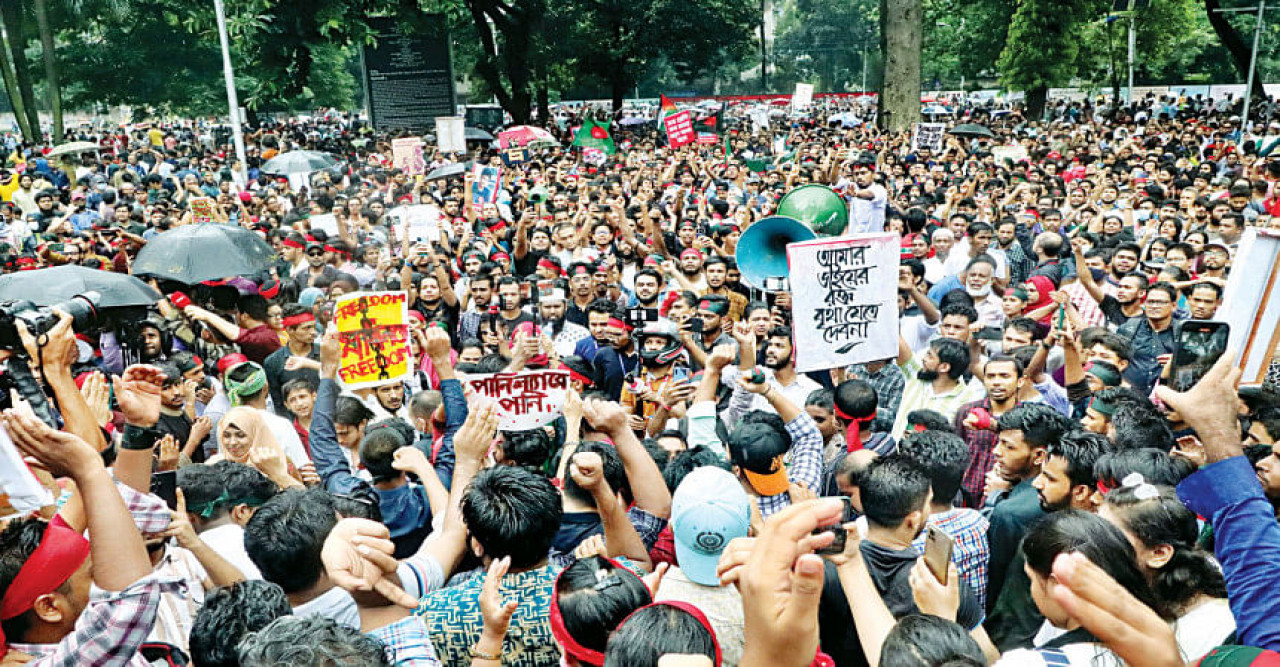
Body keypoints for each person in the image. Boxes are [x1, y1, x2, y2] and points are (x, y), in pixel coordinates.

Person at [986, 403, 1073, 651]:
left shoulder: (1010, 514)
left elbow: (995, 580)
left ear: (1039, 456)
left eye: (1008, 446)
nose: (996, 452)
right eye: (999, 442)